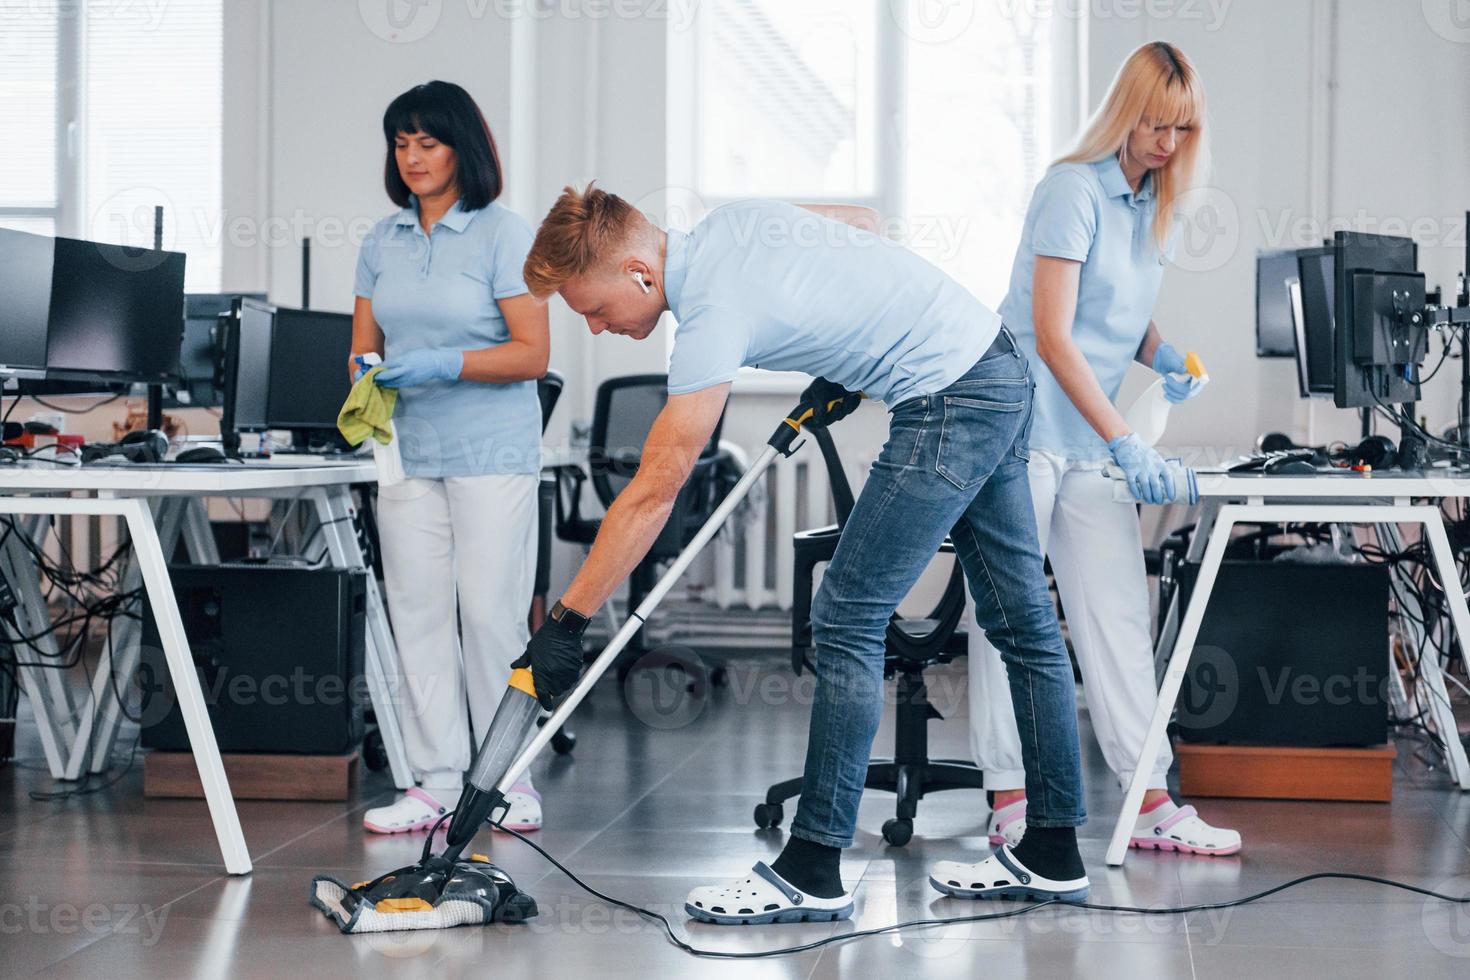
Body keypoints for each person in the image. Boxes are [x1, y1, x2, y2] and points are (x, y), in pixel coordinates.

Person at [514, 184, 1090, 925]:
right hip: (996, 365)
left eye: (592, 309)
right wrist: (848, 357)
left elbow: (656, 487)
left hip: (950, 397)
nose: (594, 329)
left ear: (638, 273)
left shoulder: (711, 316)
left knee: (848, 615)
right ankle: (1053, 849)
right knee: (1021, 623)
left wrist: (567, 622)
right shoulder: (731, 225)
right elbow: (864, 225)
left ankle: (813, 865)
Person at [968, 42, 1240, 856]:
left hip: (1087, 438)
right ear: (1126, 111)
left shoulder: (1150, 204)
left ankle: (1151, 801)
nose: (1165, 141)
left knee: (1119, 614)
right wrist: (1126, 438)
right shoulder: (1071, 191)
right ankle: (1008, 798)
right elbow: (1054, 334)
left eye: (1180, 128)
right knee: (1010, 618)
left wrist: (1162, 356)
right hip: (1020, 432)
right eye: (1155, 123)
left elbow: (1116, 309)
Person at [352, 80, 549, 835]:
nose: (411, 157)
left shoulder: (504, 234)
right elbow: (362, 347)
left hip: (490, 451)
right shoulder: (382, 240)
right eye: (400, 143)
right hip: (407, 452)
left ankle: (508, 779)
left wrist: (445, 364)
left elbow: (533, 353)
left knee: (491, 614)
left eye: (427, 143)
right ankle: (433, 780)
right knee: (418, 615)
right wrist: (367, 373)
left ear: (462, 148)